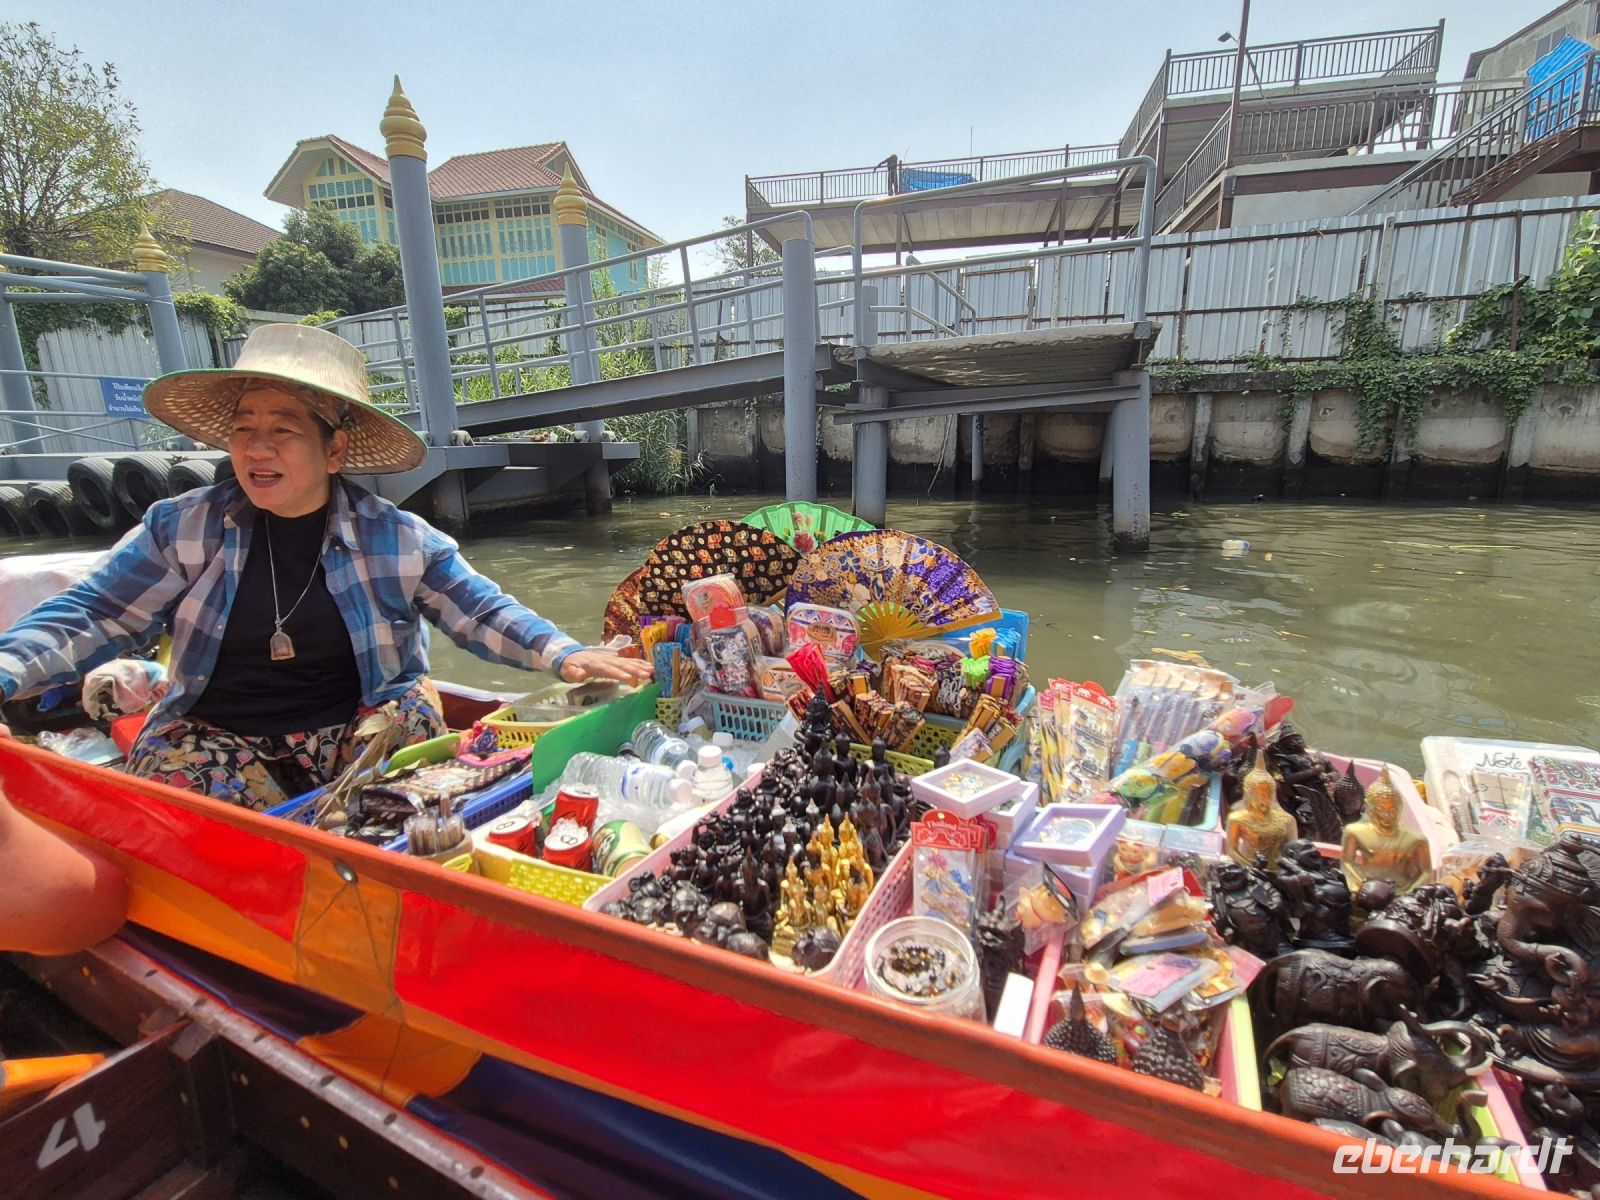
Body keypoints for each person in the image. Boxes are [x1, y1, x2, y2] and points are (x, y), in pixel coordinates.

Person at [0, 323, 650, 808]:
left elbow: (477, 607)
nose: (257, 445)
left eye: (283, 428)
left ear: (333, 448)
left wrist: (564, 655)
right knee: (179, 804)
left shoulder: (392, 537)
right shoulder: (185, 528)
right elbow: (92, 611)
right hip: (219, 741)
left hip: (359, 734)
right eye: (244, 425)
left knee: (416, 759)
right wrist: (7, 666)